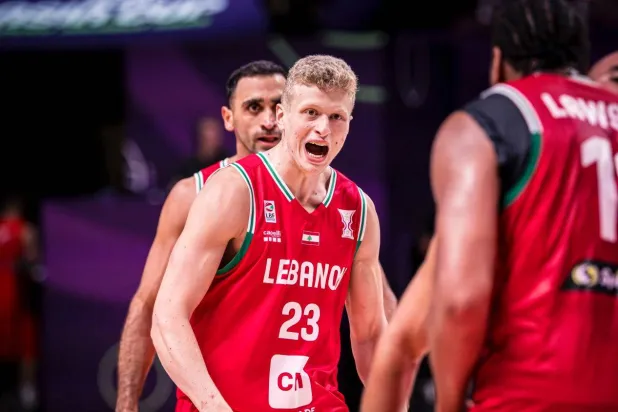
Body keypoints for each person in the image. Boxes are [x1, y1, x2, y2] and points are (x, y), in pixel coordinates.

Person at [362, 0, 618, 411]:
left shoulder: (496, 119)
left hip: (523, 395)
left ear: (497, 63)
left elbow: (457, 303)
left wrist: (449, 403)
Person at [152, 55, 387, 412]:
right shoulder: (234, 191)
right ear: (282, 116)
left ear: (349, 124)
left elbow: (370, 335)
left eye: (336, 116)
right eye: (311, 112)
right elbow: (167, 317)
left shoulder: (359, 210)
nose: (323, 128)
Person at [115, 60, 287, 412]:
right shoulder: (192, 194)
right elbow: (147, 305)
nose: (269, 120)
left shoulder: (326, 197)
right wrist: (126, 404)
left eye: (279, 107)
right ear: (228, 118)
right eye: (254, 107)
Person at [0, 195, 39, 411]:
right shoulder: (26, 230)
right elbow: (33, 261)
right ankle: (27, 390)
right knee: (27, 344)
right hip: (15, 293)